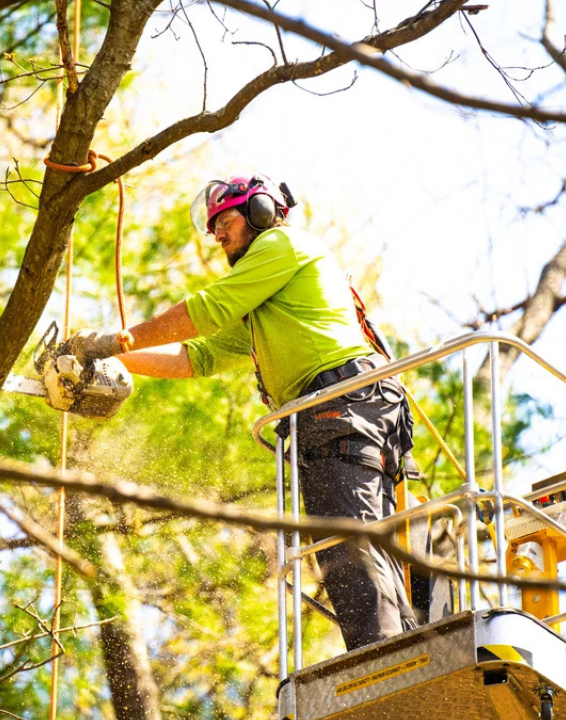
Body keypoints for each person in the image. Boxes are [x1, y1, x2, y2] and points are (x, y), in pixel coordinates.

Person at [67, 174, 418, 651]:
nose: (217, 235)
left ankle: (384, 661)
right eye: (212, 227)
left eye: (225, 220)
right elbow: (195, 358)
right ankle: (394, 652)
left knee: (348, 541)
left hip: (343, 404)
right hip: (333, 414)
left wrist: (116, 339)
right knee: (350, 544)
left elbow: (209, 308)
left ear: (261, 213)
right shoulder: (264, 304)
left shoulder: (282, 245)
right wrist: (104, 358)